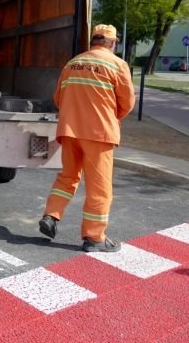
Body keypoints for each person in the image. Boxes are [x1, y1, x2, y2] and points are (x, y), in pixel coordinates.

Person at [38, 24, 135, 253]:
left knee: (68, 177)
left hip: (70, 131)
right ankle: (94, 238)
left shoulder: (72, 63)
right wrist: (112, 117)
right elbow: (127, 103)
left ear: (93, 41)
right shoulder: (117, 65)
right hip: (98, 133)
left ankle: (51, 216)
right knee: (99, 187)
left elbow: (59, 97)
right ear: (112, 43)